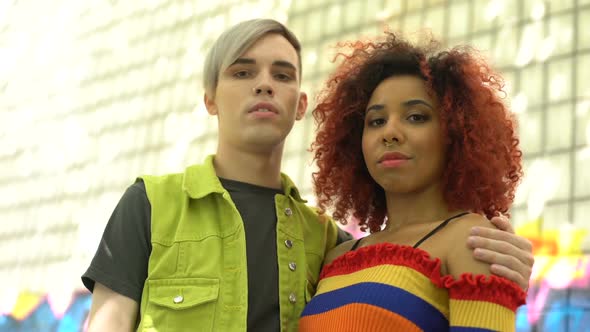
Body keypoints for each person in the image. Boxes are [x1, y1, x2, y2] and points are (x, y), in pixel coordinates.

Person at [82, 20, 533, 332]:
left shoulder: (322, 241)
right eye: (242, 71)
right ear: (210, 99)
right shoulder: (151, 204)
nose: (263, 84)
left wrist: (504, 266)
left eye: (282, 74)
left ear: (300, 106)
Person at [299, 32, 528, 331]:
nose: (390, 132)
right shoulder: (337, 255)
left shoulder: (474, 242)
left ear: (455, 135)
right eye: (376, 121)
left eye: (417, 117)